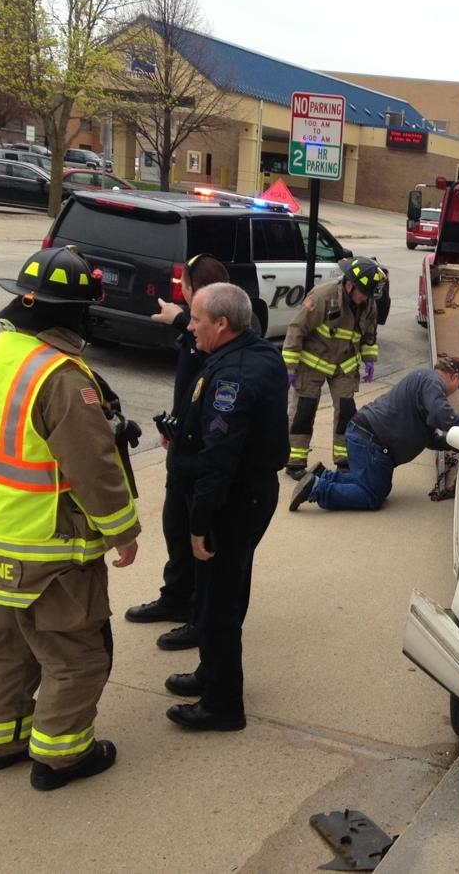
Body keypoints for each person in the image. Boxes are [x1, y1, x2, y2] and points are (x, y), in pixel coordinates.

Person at [0, 246, 139, 791]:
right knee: (77, 655)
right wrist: (123, 531)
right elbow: (94, 468)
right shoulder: (59, 376)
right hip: (45, 556)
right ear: (72, 313)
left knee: (2, 646)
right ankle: (62, 756)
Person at [164, 283, 289, 731]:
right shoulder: (256, 353)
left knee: (218, 600)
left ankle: (221, 705)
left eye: (195, 319)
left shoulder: (233, 376)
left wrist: (199, 521)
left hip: (232, 501)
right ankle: (210, 672)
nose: (190, 325)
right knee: (224, 589)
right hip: (249, 494)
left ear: (222, 324)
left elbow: (220, 456)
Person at [123, 254, 229, 652]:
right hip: (183, 445)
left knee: (196, 533)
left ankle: (196, 615)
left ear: (190, 287)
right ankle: (175, 597)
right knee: (175, 525)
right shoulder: (193, 327)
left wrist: (181, 320)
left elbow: (212, 363)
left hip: (202, 455)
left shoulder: (211, 332)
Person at [289, 356, 459, 513]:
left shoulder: (424, 382)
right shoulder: (432, 381)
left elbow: (429, 439)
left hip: (365, 435)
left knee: (368, 482)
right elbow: (441, 413)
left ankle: (323, 476)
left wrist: (454, 442)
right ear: (455, 377)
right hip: (372, 442)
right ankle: (317, 488)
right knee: (372, 494)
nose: (454, 393)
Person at [281, 257, 383, 478]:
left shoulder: (368, 304)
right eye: (363, 292)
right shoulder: (322, 296)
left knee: (347, 413)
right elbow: (295, 330)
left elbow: (369, 336)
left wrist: (369, 359)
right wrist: (290, 367)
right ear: (349, 285)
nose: (366, 298)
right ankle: (295, 462)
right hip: (312, 363)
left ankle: (344, 460)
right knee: (303, 412)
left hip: (344, 365)